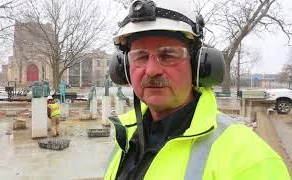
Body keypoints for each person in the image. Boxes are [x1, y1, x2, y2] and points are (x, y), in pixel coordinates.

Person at [105, 0, 290, 179]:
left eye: (168, 54)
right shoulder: (124, 137)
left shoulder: (249, 159)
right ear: (124, 69)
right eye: (140, 57)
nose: (152, 70)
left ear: (198, 65)